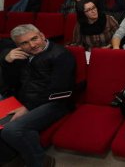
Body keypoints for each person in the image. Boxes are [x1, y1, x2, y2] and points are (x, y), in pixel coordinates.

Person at [0, 24, 75, 167]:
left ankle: (41, 162)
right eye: (24, 43)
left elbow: (59, 90)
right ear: (18, 45)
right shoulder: (20, 56)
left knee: (12, 130)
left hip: (54, 102)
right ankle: (13, 158)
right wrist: (7, 62)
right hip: (23, 99)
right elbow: (11, 83)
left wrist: (27, 107)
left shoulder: (61, 55)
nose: (32, 45)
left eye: (34, 39)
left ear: (42, 35)